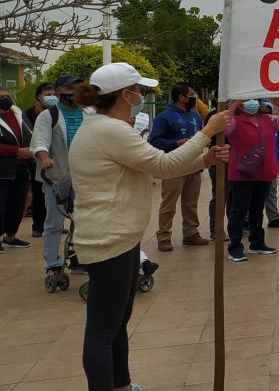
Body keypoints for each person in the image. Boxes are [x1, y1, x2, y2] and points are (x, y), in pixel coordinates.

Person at [69, 62, 231, 391]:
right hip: (107, 239)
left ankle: (122, 385)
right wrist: (207, 131)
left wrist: (204, 160)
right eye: (139, 91)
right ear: (125, 94)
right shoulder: (108, 130)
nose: (141, 96)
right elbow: (163, 162)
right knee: (103, 330)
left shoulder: (107, 127)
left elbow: (158, 169)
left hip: (121, 237)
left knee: (117, 321)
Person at [31, 75, 88, 285]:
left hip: (84, 176)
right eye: (68, 88)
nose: (73, 92)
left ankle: (78, 259)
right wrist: (44, 157)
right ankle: (53, 264)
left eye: (77, 87)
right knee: (54, 223)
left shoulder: (88, 113)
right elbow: (39, 141)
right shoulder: (48, 116)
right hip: (57, 177)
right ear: (58, 91)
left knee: (84, 222)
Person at [225, 98, 279, 261]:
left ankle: (257, 242)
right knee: (239, 210)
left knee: (257, 209)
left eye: (254, 100)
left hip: (263, 172)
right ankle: (234, 247)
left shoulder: (268, 120)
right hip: (242, 174)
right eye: (247, 101)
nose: (252, 104)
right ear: (241, 106)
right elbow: (223, 125)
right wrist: (234, 103)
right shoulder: (235, 122)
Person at [147, 83, 209, 252]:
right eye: (191, 95)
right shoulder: (164, 117)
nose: (194, 98)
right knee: (169, 204)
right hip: (173, 167)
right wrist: (175, 143)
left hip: (194, 166)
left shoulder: (195, 117)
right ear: (181, 97)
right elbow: (153, 141)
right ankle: (164, 236)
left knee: (191, 203)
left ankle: (191, 233)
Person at [0, 87, 33, 252]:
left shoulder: (18, 114)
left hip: (21, 168)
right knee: (1, 205)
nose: (5, 98)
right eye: (1, 97)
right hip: (2, 170)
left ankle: (10, 236)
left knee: (17, 204)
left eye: (7, 96)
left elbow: (30, 133)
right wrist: (16, 151)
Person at [21, 82, 53, 238]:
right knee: (39, 193)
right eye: (48, 95)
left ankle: (53, 223)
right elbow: (28, 134)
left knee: (56, 194)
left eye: (54, 94)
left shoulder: (58, 112)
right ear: (39, 96)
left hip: (56, 157)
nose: (51, 97)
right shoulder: (28, 113)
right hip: (37, 158)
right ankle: (38, 226)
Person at [261, 101, 279, 229]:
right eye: (264, 109)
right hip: (258, 165)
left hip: (273, 164)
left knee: (272, 192)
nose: (266, 111)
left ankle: (274, 218)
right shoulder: (256, 125)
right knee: (256, 193)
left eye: (269, 109)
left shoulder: (275, 124)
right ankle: (246, 221)